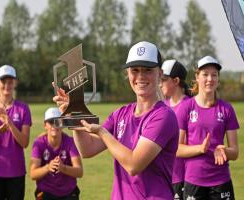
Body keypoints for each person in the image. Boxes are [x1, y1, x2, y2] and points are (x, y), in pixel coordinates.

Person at [53, 41, 179, 199]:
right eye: (135, 70)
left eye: (147, 70)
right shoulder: (121, 114)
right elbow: (87, 149)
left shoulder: (163, 116)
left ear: (159, 74)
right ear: (128, 74)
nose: (140, 76)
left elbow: (134, 165)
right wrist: (75, 116)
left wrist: (103, 133)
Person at [176, 56, 239, 200]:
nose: (210, 79)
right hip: (193, 181)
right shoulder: (186, 107)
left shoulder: (226, 109)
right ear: (197, 77)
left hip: (221, 182)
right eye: (205, 74)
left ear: (218, 79)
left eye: (214, 75)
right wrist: (200, 148)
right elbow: (177, 149)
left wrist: (223, 150)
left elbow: (235, 152)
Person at [0, 65, 31, 200]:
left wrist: (9, 122)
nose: (7, 85)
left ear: (15, 83)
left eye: (10, 82)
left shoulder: (23, 108)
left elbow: (25, 142)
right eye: (3, 82)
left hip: (16, 171)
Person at [30, 107, 83, 200]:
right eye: (51, 122)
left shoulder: (70, 142)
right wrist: (48, 167)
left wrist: (63, 168)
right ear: (45, 125)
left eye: (57, 122)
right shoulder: (39, 143)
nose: (54, 126)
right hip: (46, 192)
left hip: (68, 192)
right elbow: (33, 174)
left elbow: (79, 172)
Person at [160, 60, 190, 200]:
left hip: (185, 178)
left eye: (164, 80)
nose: (160, 84)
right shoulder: (162, 106)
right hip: (164, 175)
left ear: (176, 81)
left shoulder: (191, 105)